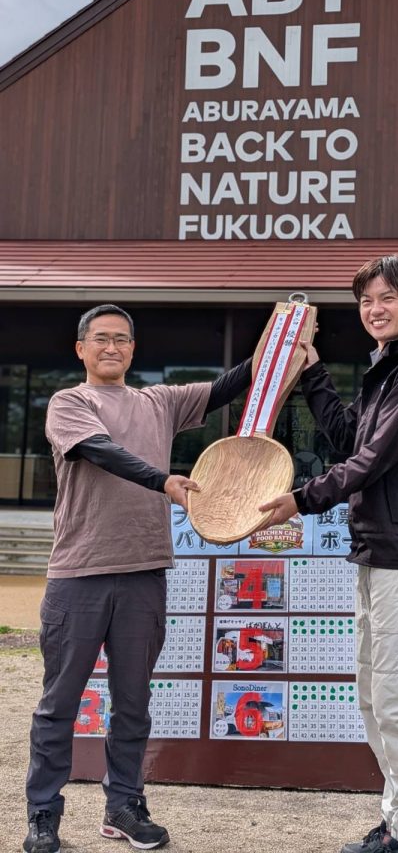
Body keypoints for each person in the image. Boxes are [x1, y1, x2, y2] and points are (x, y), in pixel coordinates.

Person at [24, 304, 252, 853]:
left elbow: (228, 386)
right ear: (81, 348)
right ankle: (43, 814)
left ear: (133, 349)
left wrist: (281, 340)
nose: (112, 347)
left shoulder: (160, 402)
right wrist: (163, 481)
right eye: (101, 338)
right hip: (80, 573)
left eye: (122, 339)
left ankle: (124, 806)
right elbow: (100, 452)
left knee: (132, 702)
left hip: (144, 571)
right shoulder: (70, 402)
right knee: (59, 703)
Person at [260, 255, 398, 853]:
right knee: (376, 698)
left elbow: (373, 460)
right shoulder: (387, 368)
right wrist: (312, 370)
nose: (375, 309)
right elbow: (350, 440)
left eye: (388, 297)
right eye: (366, 300)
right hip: (376, 556)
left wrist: (302, 498)